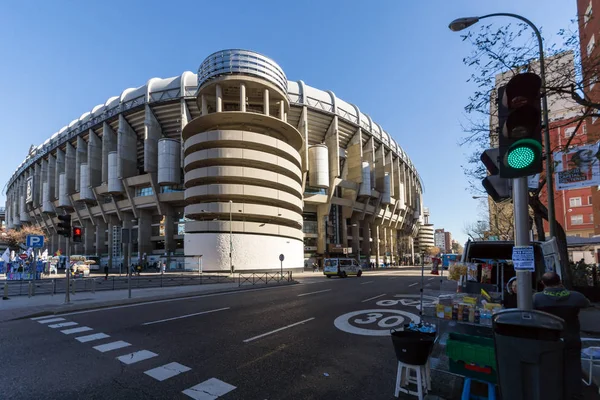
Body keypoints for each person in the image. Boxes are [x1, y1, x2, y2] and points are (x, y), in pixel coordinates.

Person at [533, 272, 590, 400]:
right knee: (573, 368)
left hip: (547, 340)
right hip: (571, 337)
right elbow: (587, 303)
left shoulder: (537, 298)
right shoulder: (575, 297)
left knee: (548, 368)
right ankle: (574, 394)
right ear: (560, 281)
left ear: (543, 283)